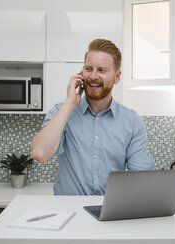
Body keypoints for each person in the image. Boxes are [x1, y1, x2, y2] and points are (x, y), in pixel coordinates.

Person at [31, 39, 153, 195]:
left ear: (116, 77)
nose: (93, 76)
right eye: (89, 69)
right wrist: (69, 102)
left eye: (102, 70)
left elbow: (140, 178)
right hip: (69, 213)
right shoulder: (61, 112)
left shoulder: (132, 121)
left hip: (111, 212)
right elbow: (40, 153)